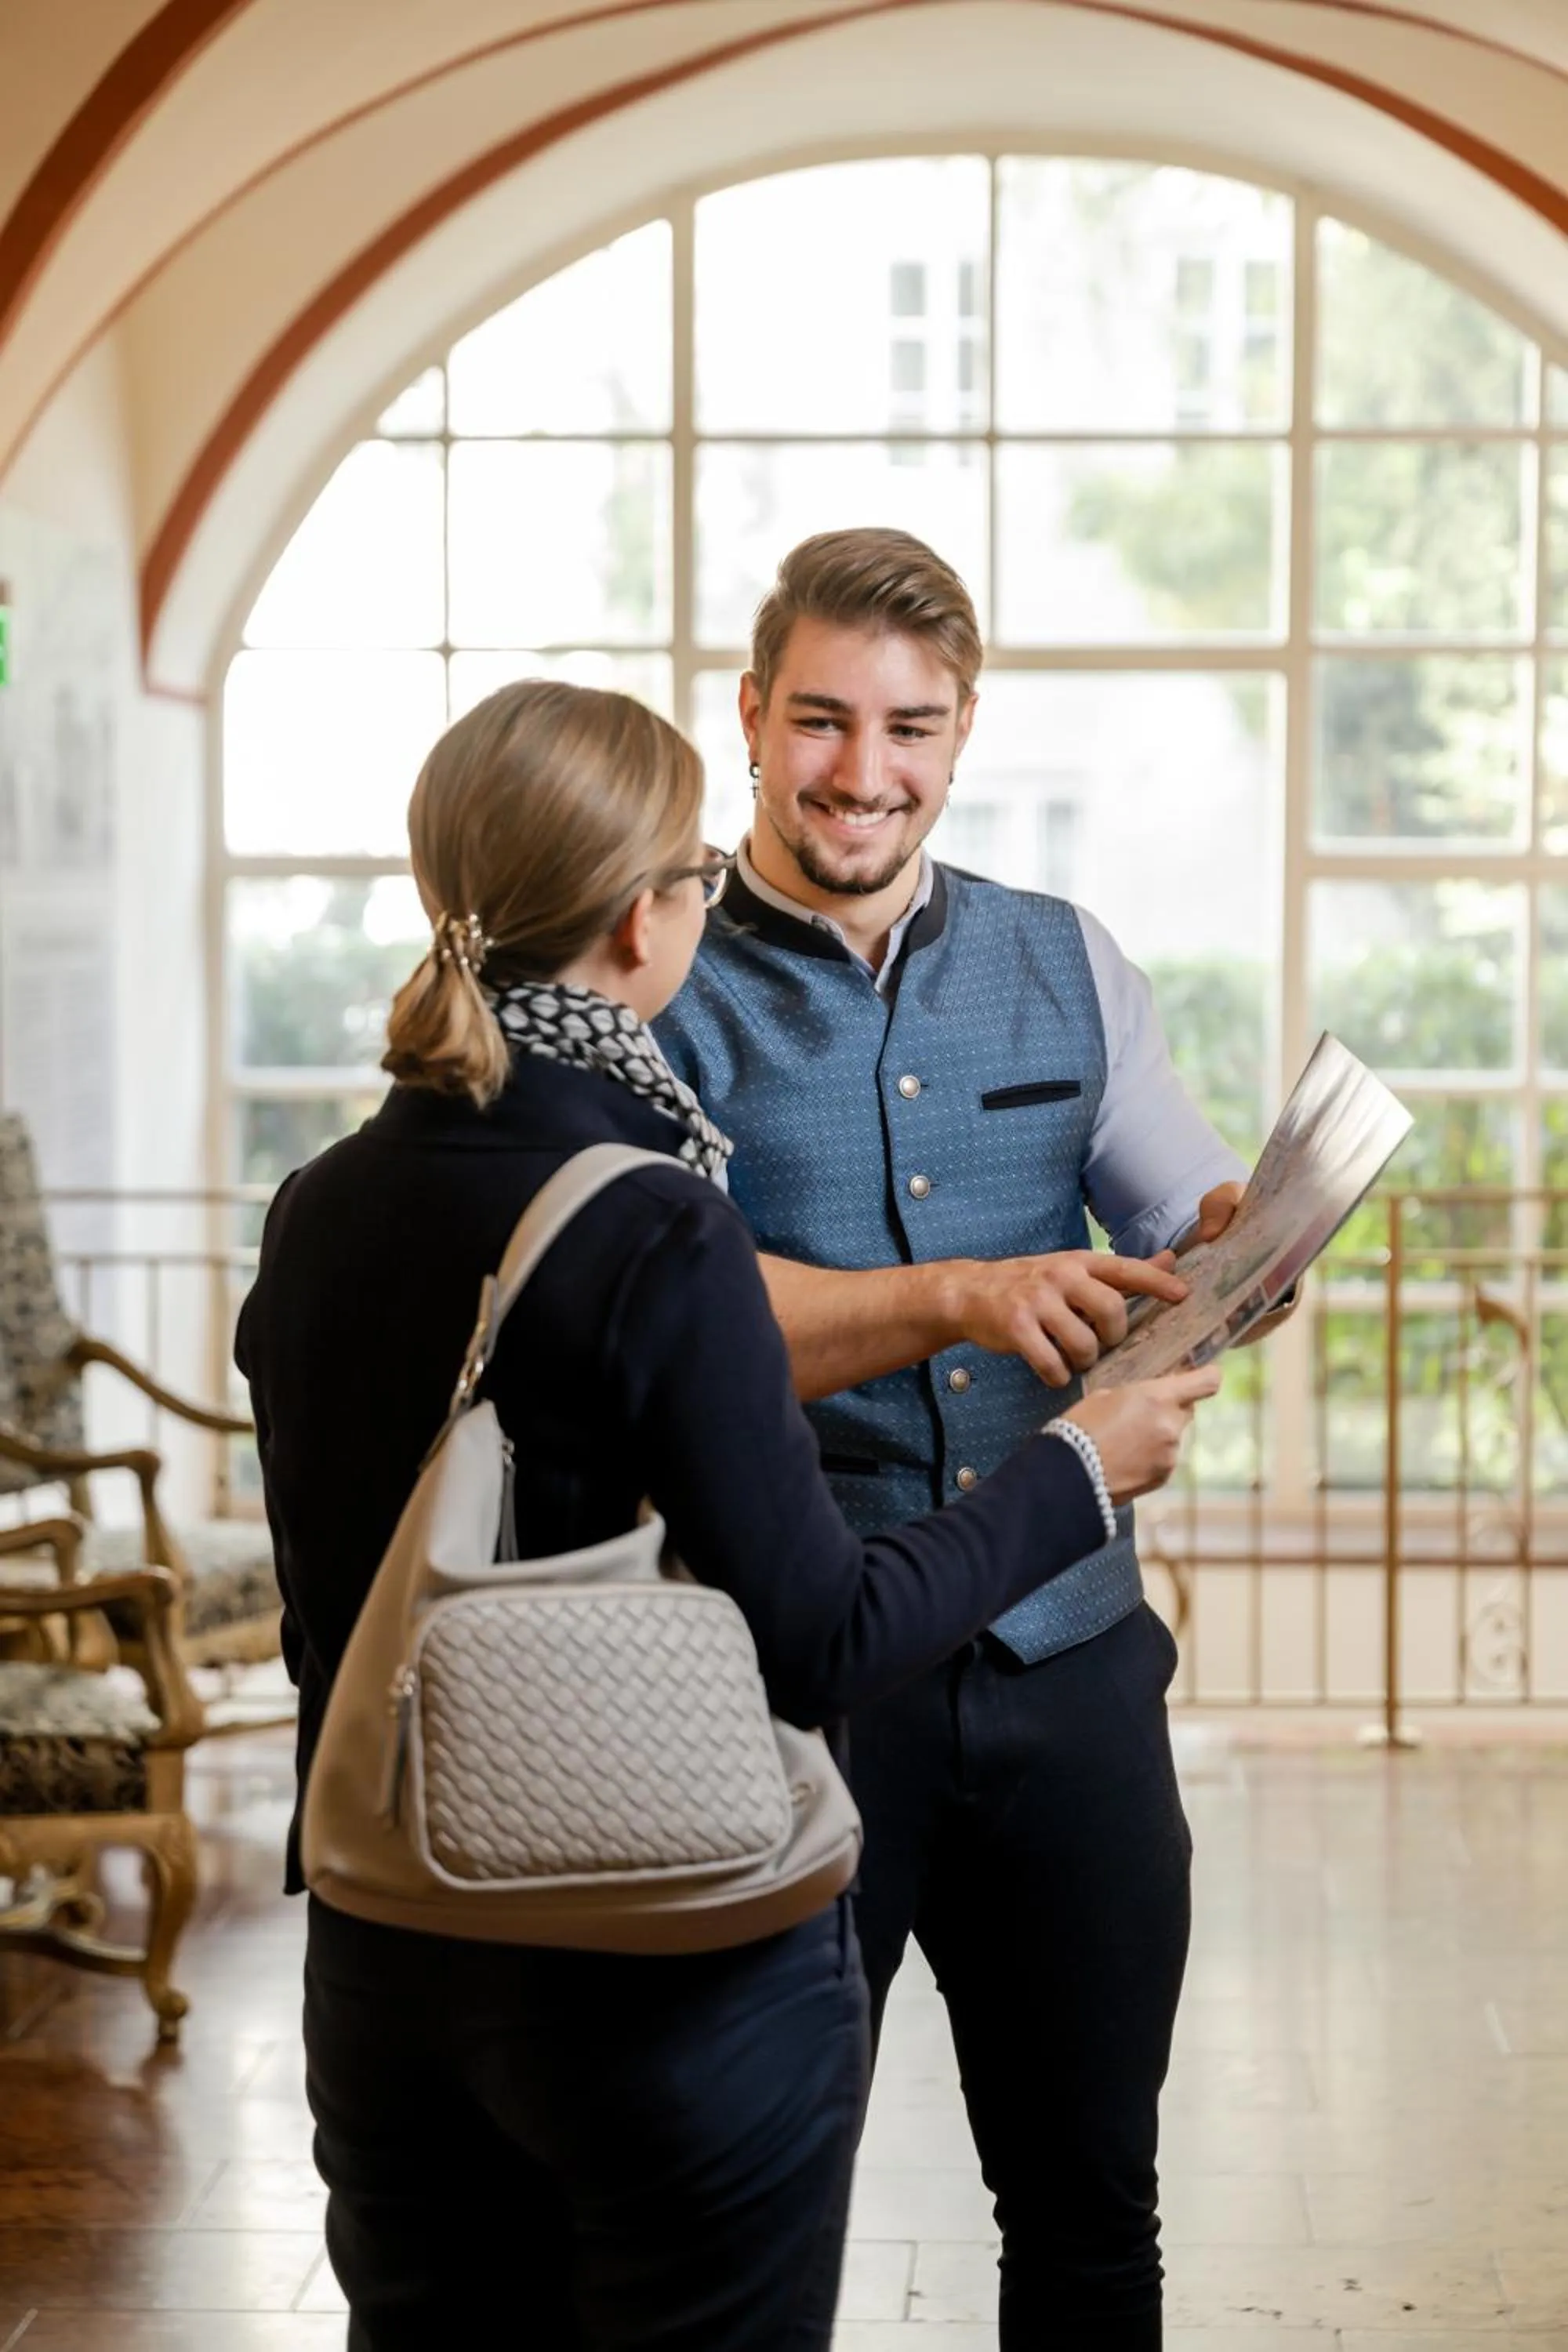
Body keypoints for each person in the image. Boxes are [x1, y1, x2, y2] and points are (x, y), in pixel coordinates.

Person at [234, 678, 1218, 2352]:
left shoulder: (316, 1206)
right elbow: (820, 1636)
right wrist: (1077, 1470)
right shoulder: (655, 1221)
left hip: (381, 1954)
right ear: (640, 918)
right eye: (694, 873)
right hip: (630, 1960)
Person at [655, 529, 1285, 2350]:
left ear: (965, 726)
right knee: (746, 2207)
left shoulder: (1065, 955)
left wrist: (1243, 1235)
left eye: (910, 727)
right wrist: (966, 1294)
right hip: (785, 1688)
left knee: (1093, 2202)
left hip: (1074, 1670)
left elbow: (1177, 1204)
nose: (866, 773)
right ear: (753, 714)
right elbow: (663, 1329)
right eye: (826, 722)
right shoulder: (656, 975)